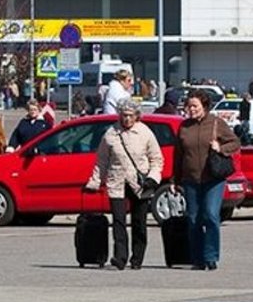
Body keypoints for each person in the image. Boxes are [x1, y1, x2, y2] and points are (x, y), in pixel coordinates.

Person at [87, 98, 164, 270]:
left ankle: (137, 258)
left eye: (130, 116)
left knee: (139, 222)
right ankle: (120, 257)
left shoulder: (145, 133)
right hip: (117, 181)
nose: (127, 119)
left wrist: (153, 177)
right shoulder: (111, 134)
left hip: (139, 184)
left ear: (137, 116)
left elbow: (157, 159)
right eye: (124, 115)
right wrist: (95, 182)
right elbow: (102, 161)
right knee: (118, 221)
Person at [172, 89, 240, 270]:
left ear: (205, 106)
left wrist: (220, 148)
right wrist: (175, 180)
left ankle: (211, 256)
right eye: (189, 106)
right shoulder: (184, 127)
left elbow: (235, 143)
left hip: (213, 178)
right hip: (190, 179)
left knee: (210, 215)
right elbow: (178, 155)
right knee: (193, 219)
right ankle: (197, 258)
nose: (191, 109)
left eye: (195, 106)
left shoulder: (217, 123)